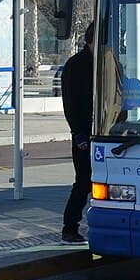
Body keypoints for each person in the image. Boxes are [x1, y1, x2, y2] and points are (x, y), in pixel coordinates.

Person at [59, 20, 97, 244]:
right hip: (84, 134)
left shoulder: (104, 62)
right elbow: (70, 103)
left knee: (90, 181)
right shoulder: (76, 65)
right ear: (89, 41)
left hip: (101, 132)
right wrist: (78, 133)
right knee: (83, 181)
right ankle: (69, 227)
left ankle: (78, 225)